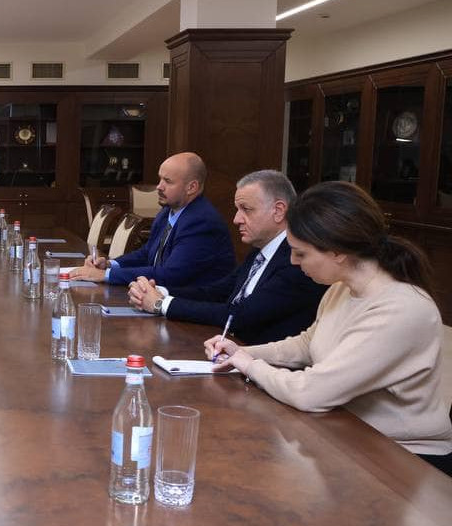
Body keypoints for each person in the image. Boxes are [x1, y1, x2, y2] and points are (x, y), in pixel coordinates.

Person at [207, 182, 452, 471]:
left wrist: (250, 365)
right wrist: (243, 352)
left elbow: (310, 393)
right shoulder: (342, 287)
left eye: (301, 253)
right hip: (347, 432)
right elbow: (307, 344)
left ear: (337, 252)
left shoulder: (402, 309)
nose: (293, 262)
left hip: (403, 458)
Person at [128, 170, 326, 345]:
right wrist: (159, 291)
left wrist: (161, 304)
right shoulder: (261, 250)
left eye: (246, 209)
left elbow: (240, 315)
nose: (236, 219)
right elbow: (217, 291)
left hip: (264, 364)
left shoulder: (296, 260)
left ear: (278, 211)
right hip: (228, 349)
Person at [70, 152, 234, 287]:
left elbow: (170, 274)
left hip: (190, 309)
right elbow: (147, 253)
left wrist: (105, 275)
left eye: (168, 181)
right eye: (160, 179)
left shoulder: (201, 222)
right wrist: (109, 264)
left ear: (192, 187)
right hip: (159, 297)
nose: (159, 186)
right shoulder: (167, 211)